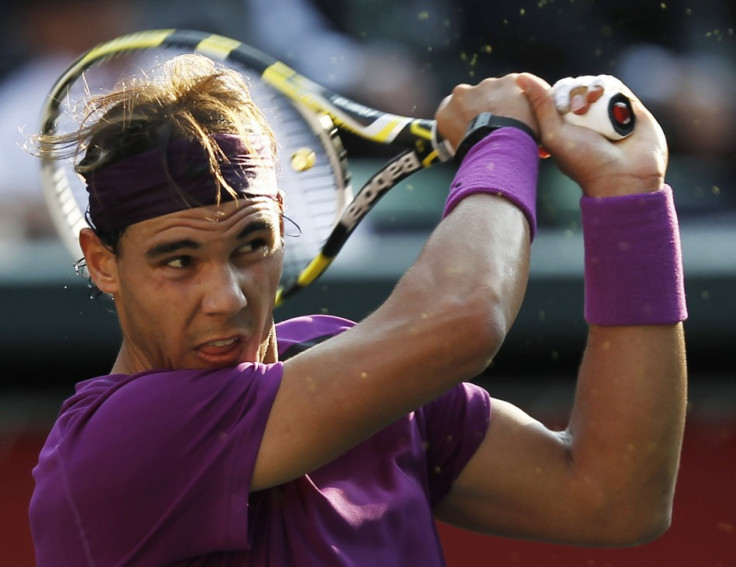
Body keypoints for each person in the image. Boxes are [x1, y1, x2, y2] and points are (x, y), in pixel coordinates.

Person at [29, 53, 688, 566]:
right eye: (179, 261)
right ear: (103, 259)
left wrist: (628, 196)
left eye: (251, 244)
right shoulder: (110, 446)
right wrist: (499, 140)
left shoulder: (354, 369)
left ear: (282, 228)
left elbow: (615, 497)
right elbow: (466, 317)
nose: (226, 295)